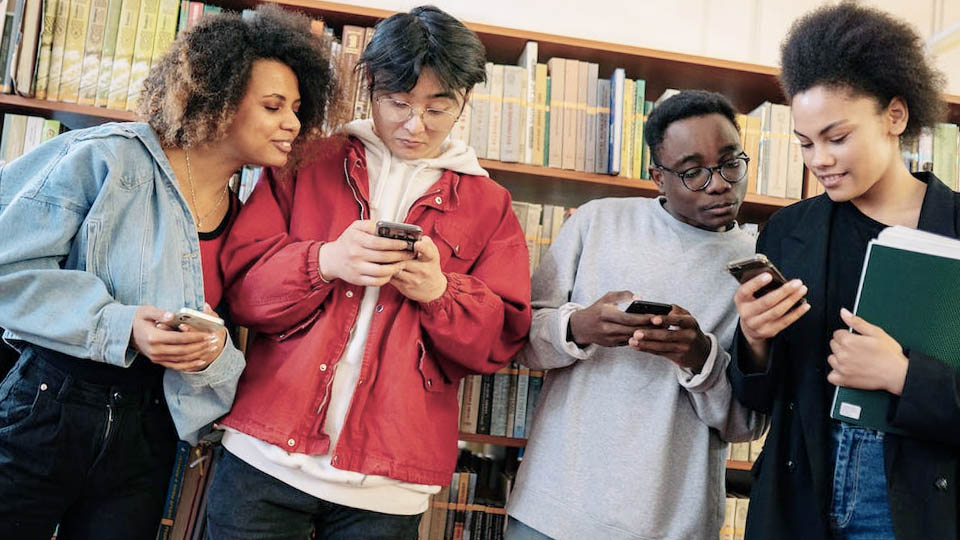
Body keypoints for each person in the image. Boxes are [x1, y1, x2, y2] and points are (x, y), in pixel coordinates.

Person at [0, 5, 338, 538]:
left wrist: (210, 355)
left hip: (151, 427)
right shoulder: (105, 158)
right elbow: (7, 267)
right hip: (48, 406)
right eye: (274, 106)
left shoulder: (250, 216)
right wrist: (123, 324)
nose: (293, 124)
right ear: (218, 98)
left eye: (297, 108)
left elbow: (227, 341)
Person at [208, 5, 531, 539]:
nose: (414, 124)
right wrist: (325, 262)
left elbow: (497, 344)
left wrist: (440, 292)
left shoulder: (490, 204)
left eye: (437, 107)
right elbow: (242, 291)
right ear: (371, 91)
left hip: (389, 484)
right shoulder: (306, 160)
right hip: (263, 457)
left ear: (465, 102)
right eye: (397, 102)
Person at [728, 4, 960, 540]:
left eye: (837, 137)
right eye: (805, 142)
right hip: (799, 495)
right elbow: (757, 400)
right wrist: (755, 339)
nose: (819, 160)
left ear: (895, 116)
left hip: (916, 505)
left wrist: (903, 377)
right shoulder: (788, 230)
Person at [505, 90, 766, 540]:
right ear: (658, 178)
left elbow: (746, 423)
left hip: (670, 525)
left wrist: (700, 357)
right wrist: (577, 327)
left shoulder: (758, 265)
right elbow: (520, 341)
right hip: (552, 511)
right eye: (693, 173)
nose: (719, 183)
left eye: (730, 163)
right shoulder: (596, 222)